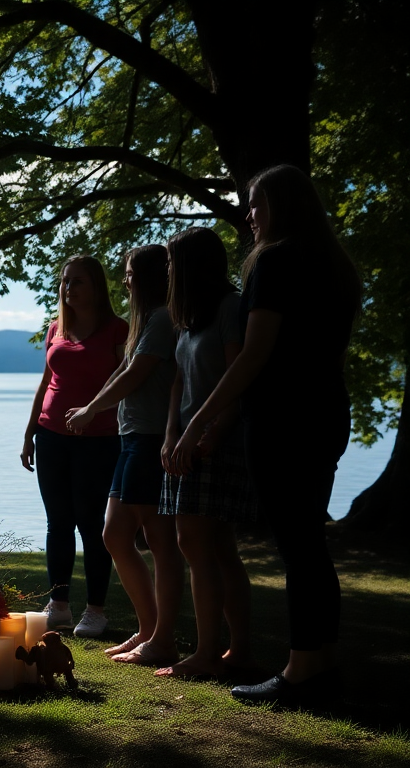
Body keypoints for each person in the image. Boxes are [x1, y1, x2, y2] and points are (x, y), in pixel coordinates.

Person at [172, 165, 360, 704]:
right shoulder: (335, 267)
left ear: (279, 206)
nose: (249, 216)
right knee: (310, 545)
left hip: (282, 420)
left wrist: (200, 421)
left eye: (255, 205)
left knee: (298, 546)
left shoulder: (275, 262)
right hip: (326, 413)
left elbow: (255, 353)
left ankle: (301, 671)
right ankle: (321, 661)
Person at [65, 245, 184, 666]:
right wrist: (91, 407)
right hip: (132, 437)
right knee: (114, 534)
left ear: (150, 277)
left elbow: (138, 373)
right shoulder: (145, 322)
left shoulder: (163, 319)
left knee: (159, 542)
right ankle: (149, 629)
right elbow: (122, 370)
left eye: (131, 272)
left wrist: (92, 409)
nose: (126, 279)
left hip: (152, 438)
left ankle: (162, 638)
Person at [154, 227, 256, 681]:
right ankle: (233, 650)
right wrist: (170, 434)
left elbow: (239, 380)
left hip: (217, 443)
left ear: (194, 265)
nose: (169, 271)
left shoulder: (230, 309)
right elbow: (179, 383)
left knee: (198, 544)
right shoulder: (188, 319)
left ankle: (210, 652)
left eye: (174, 263)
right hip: (185, 442)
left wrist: (209, 437)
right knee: (212, 546)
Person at [21, 255, 127, 637]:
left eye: (77, 281)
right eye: (65, 282)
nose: (69, 288)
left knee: (92, 525)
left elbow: (129, 385)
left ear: (97, 286)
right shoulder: (56, 329)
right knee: (58, 523)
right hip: (51, 437)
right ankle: (60, 605)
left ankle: (96, 610)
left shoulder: (118, 330)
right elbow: (46, 382)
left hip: (98, 440)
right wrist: (30, 431)